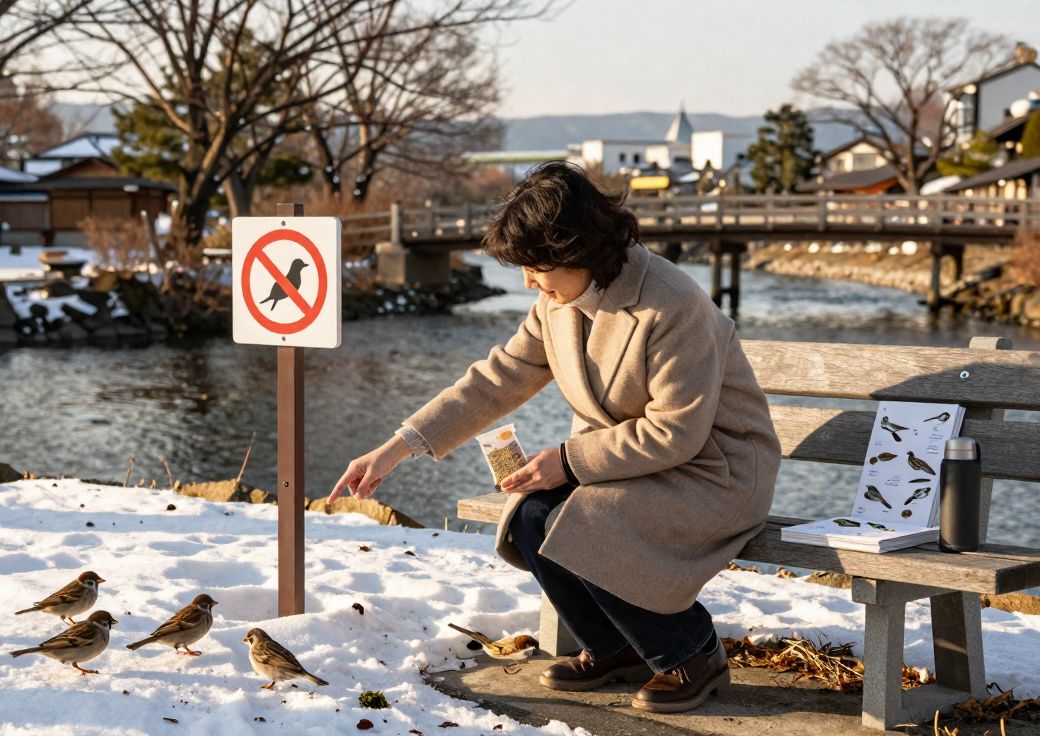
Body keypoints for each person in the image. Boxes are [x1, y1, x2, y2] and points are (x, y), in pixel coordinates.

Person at [329, 161, 780, 713]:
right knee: (529, 515)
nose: (527, 282)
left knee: (581, 520)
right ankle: (617, 648)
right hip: (635, 465)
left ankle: (692, 652)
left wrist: (567, 461)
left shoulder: (672, 303)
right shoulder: (557, 304)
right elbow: (494, 380)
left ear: (577, 250)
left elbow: (676, 431)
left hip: (714, 470)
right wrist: (397, 447)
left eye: (535, 266)